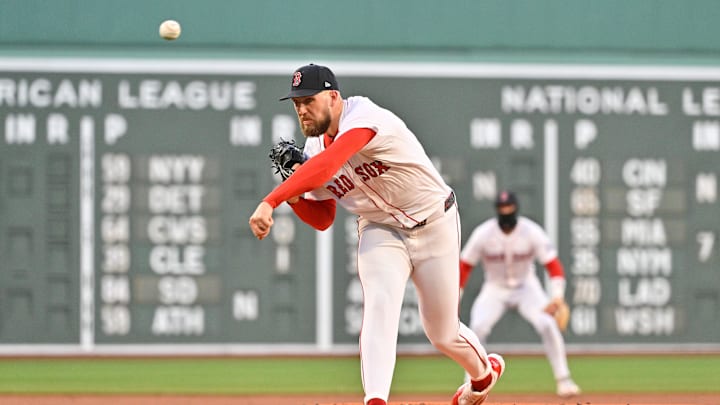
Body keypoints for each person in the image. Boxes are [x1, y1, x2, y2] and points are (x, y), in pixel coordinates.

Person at [249, 63, 504, 405]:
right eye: (296, 103)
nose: (301, 109)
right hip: (380, 229)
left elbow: (328, 165)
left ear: (333, 97)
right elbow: (323, 217)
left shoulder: (363, 115)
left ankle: (482, 374)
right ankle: (376, 400)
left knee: (442, 332)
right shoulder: (312, 151)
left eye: (309, 100)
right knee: (380, 307)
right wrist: (295, 199)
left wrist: (271, 200)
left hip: (434, 221)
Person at [458, 190, 581, 398]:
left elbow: (553, 266)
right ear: (497, 210)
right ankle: (470, 384)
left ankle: (564, 380)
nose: (506, 212)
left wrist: (558, 296)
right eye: (502, 209)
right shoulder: (484, 233)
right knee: (478, 327)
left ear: (516, 209)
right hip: (495, 288)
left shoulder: (531, 231)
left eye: (509, 208)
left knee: (548, 324)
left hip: (527, 288)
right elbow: (464, 266)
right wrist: (456, 297)